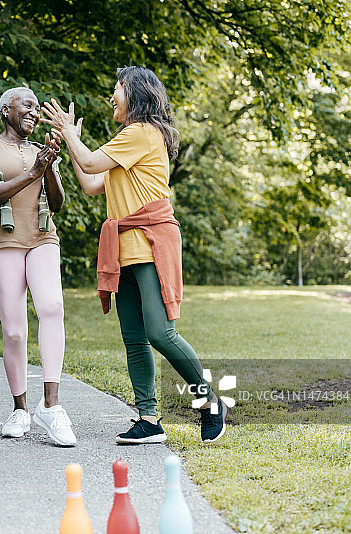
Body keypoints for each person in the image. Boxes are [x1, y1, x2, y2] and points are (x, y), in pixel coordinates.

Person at [41, 66, 229, 444]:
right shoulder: (125, 142)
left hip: (150, 242)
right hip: (124, 247)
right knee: (134, 338)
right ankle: (148, 419)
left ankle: (209, 403)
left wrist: (71, 135)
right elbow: (93, 182)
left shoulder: (141, 133)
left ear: (137, 94)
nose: (112, 95)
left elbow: (92, 163)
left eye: (118, 88)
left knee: (160, 332)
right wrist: (72, 147)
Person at [0, 87, 76, 446]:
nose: (33, 111)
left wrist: (47, 167)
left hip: (43, 236)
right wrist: (34, 171)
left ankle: (51, 406)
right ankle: (20, 410)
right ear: (5, 110)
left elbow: (58, 202)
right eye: (26, 105)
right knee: (14, 331)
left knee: (52, 307)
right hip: (1, 239)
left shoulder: (40, 151)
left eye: (36, 106)